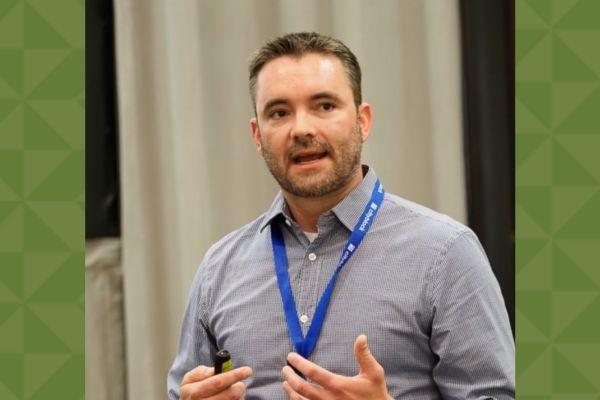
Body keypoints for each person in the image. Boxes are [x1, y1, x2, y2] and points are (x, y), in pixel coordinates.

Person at [168, 32, 514, 400]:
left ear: (363, 121)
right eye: (279, 112)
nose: (301, 129)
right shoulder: (218, 270)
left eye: (324, 106)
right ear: (257, 136)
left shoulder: (446, 254)